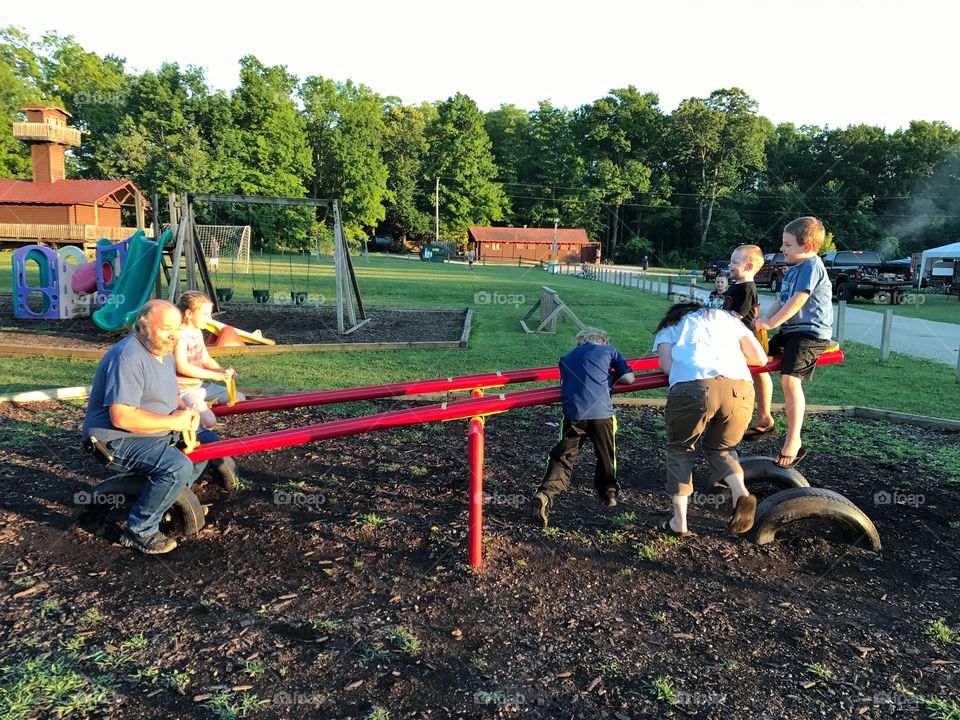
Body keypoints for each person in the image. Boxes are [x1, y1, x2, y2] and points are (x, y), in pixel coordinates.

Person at [82, 300, 217, 554]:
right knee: (175, 466)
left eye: (177, 329)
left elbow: (168, 393)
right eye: (166, 328)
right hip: (115, 439)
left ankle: (169, 500)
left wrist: (183, 409)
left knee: (207, 442)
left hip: (152, 430)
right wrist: (174, 421)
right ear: (143, 326)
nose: (174, 336)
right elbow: (122, 417)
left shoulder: (163, 352)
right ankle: (139, 530)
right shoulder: (128, 357)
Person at [653, 302, 768, 537]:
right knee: (723, 448)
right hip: (740, 387)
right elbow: (760, 358)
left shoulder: (670, 326)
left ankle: (679, 522)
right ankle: (741, 492)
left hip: (693, 387)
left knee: (680, 448)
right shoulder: (729, 319)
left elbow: (666, 367)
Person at [530, 327, 636, 527]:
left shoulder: (566, 358)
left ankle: (545, 493)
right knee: (606, 453)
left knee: (563, 456)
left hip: (574, 414)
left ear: (580, 342)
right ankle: (609, 493)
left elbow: (566, 383)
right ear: (603, 340)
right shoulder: (609, 351)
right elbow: (629, 379)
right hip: (602, 413)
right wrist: (611, 376)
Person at [753, 217, 834, 468]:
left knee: (789, 379)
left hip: (810, 334)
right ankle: (765, 417)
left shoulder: (811, 266)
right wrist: (764, 319)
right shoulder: (794, 268)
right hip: (791, 332)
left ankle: (793, 440)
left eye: (787, 245)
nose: (781, 249)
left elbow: (798, 300)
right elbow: (782, 298)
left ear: (807, 247)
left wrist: (773, 322)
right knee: (755, 358)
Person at [175, 291, 245, 429]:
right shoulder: (179, 335)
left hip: (200, 386)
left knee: (239, 398)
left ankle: (201, 410)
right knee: (209, 422)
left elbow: (205, 359)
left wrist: (223, 372)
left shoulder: (196, 332)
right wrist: (215, 376)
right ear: (189, 314)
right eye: (205, 314)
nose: (209, 319)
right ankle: (195, 424)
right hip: (183, 390)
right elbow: (182, 367)